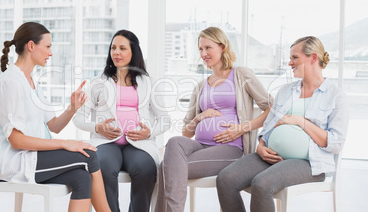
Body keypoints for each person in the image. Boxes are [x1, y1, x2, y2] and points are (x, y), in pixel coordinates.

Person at [0, 22, 111, 212]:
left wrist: (72, 109)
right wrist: (65, 143)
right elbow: (17, 141)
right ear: (31, 46)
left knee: (82, 177)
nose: (51, 53)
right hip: (14, 162)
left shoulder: (30, 81)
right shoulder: (10, 82)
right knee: (90, 156)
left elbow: (53, 126)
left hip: (32, 157)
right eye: (48, 46)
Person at [216, 36, 349, 212]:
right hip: (271, 155)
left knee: (262, 184)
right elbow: (269, 125)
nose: (289, 63)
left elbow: (336, 144)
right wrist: (261, 145)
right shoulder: (286, 91)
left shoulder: (335, 96)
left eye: (295, 58)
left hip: (309, 163)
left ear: (313, 58)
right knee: (225, 179)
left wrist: (301, 122)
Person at [155, 26, 273, 212]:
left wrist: (243, 128)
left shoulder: (241, 75)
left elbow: (271, 108)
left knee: (165, 167)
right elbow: (186, 132)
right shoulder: (201, 86)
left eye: (208, 48)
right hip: (199, 145)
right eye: (200, 49)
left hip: (230, 149)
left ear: (222, 47)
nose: (203, 53)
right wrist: (199, 117)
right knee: (174, 141)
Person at [73, 29, 171, 212]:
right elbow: (78, 119)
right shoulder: (98, 83)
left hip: (139, 144)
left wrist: (149, 132)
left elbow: (165, 119)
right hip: (105, 143)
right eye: (113, 48)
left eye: (122, 48)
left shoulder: (148, 83)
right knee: (102, 168)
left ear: (133, 51)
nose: (116, 52)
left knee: (145, 169)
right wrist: (98, 127)